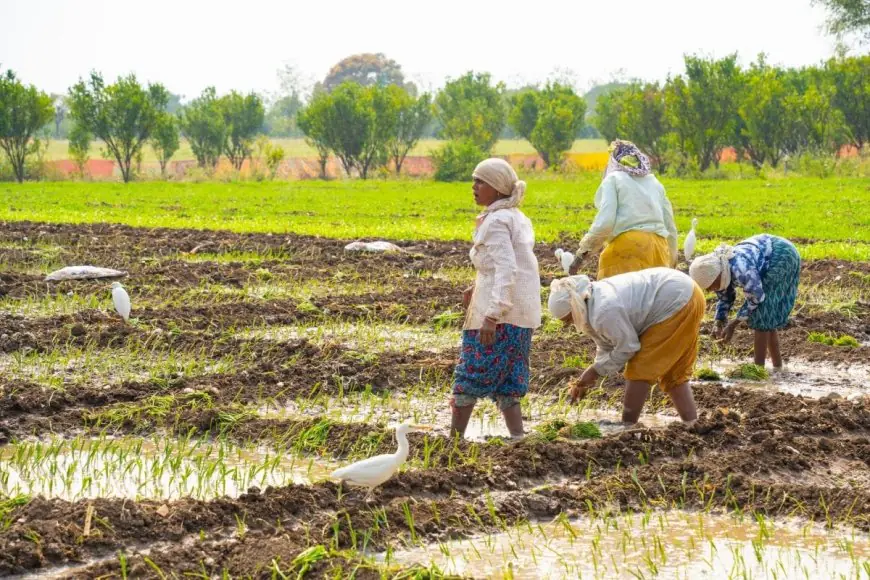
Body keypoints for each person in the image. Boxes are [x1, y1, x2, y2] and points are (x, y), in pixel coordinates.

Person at [451, 158, 541, 439]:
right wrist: (475, 286)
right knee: (510, 378)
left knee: (470, 374)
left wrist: (492, 315)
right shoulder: (517, 217)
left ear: (498, 188)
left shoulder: (497, 221)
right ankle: (518, 437)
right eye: (475, 180)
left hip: (500, 314)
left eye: (481, 182)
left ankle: (453, 441)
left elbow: (507, 268)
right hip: (522, 313)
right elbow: (507, 264)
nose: (474, 187)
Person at [547, 268, 703, 425]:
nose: (570, 324)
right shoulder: (591, 301)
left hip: (676, 300)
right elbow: (607, 344)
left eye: (569, 319)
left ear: (575, 308)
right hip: (689, 293)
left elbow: (628, 347)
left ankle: (627, 426)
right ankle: (692, 424)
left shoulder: (604, 311)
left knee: (639, 368)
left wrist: (595, 371)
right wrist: (591, 373)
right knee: (674, 372)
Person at [689, 234, 800, 369]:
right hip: (766, 251)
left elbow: (756, 297)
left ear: (717, 275)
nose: (710, 290)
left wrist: (733, 324)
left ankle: (758, 370)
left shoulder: (742, 269)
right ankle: (778, 367)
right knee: (765, 316)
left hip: (782, 254)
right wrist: (719, 322)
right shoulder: (720, 271)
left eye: (711, 286)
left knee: (762, 314)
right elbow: (725, 297)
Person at [569, 140, 678, 279]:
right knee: (651, 298)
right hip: (659, 250)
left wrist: (582, 253)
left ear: (614, 161)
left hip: (628, 249)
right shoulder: (655, 183)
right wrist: (672, 260)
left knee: (616, 297)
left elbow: (605, 223)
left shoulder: (613, 179)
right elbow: (670, 227)